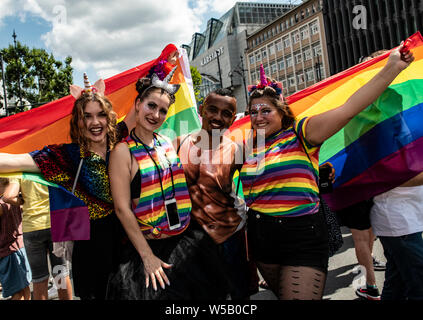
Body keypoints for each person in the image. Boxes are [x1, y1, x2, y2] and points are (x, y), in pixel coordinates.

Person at [239, 44, 414, 300]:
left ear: (281, 112)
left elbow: (349, 108)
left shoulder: (301, 133)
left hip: (301, 235)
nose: (259, 117)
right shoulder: (247, 146)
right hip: (262, 238)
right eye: (253, 112)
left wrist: (392, 68)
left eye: (266, 110)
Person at [106, 67, 230, 300]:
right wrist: (147, 258)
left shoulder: (166, 142)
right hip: (149, 249)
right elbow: (122, 210)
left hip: (185, 242)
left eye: (163, 110)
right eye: (151, 106)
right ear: (137, 105)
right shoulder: (122, 151)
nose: (156, 115)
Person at [0, 74, 126, 300]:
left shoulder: (122, 143)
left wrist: (164, 67)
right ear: (77, 121)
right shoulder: (66, 156)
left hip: (128, 240)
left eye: (100, 115)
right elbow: (13, 161)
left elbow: (147, 109)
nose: (94, 122)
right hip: (90, 246)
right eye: (86, 116)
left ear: (110, 118)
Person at [176, 88, 252, 300]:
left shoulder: (238, 150)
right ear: (202, 110)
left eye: (226, 113)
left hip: (229, 238)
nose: (218, 117)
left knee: (238, 299)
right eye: (212, 110)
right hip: (189, 241)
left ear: (232, 119)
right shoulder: (178, 144)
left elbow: (265, 179)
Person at [3, 179, 73, 300]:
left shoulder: (20, 168)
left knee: (39, 278)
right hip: (56, 225)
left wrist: (22, 201)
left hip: (32, 229)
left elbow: (8, 196)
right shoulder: (52, 162)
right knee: (60, 273)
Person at [370, 172, 423, 300]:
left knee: (396, 285)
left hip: (405, 220)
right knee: (419, 286)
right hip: (399, 223)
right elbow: (387, 178)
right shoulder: (385, 151)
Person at [336, 200, 385, 300]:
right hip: (371, 190)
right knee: (371, 226)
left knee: (361, 237)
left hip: (354, 192)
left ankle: (371, 287)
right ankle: (370, 262)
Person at [0, 177, 31, 300]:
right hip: (18, 248)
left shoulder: (2, 204)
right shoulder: (15, 201)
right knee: (24, 287)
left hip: (8, 252)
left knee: (18, 292)